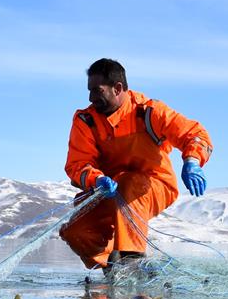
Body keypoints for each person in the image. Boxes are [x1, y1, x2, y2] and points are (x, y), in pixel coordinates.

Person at [60, 58, 212, 270]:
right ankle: (113, 265)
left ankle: (132, 259)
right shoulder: (86, 120)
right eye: (90, 91)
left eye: (97, 91)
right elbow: (77, 164)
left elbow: (195, 134)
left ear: (118, 88)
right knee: (74, 232)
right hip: (107, 190)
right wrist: (97, 179)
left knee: (129, 183)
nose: (91, 97)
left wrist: (192, 161)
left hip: (153, 186)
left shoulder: (149, 111)